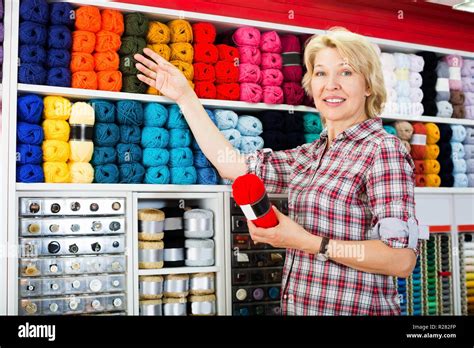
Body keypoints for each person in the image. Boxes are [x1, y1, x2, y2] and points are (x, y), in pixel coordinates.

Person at [134, 27, 422, 315]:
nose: (331, 85)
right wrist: (186, 97)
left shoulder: (383, 150)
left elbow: (401, 260)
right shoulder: (310, 155)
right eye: (321, 73)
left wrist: (308, 243)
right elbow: (231, 164)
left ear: (368, 84)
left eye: (345, 73)